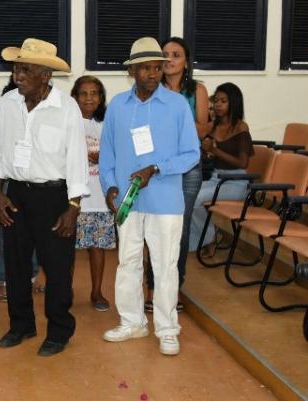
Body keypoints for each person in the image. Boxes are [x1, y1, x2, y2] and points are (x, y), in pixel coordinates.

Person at [99, 37, 200, 356]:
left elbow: (191, 154)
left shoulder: (177, 105)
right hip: (128, 201)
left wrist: (156, 167)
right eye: (146, 68)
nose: (154, 73)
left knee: (164, 265)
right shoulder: (116, 105)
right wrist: (109, 187)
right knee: (127, 262)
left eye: (158, 67)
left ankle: (168, 330)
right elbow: (107, 153)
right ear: (132, 71)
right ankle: (132, 322)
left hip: (166, 202)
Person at [0, 38, 89, 357]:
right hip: (16, 193)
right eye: (16, 68)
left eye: (26, 70)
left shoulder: (66, 108)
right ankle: (21, 325)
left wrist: (73, 206)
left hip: (54, 197)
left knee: (58, 268)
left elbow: (77, 159)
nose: (18, 75)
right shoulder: (7, 103)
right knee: (16, 265)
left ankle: (59, 331)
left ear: (46, 75)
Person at [144, 37, 210, 313]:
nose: (169, 60)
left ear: (186, 61)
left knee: (178, 232)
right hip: (154, 168)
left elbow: (203, 130)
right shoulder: (150, 88)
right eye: (165, 55)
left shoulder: (198, 90)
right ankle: (151, 287)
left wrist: (170, 127)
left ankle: (174, 287)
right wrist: (180, 129)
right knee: (152, 227)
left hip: (187, 169)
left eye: (176, 55)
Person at [189, 82, 254, 256]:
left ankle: (209, 239)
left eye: (223, 101)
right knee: (187, 196)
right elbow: (208, 156)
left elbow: (242, 163)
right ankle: (205, 238)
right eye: (216, 100)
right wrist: (206, 152)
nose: (217, 105)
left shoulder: (240, 127)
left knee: (196, 200)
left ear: (234, 102)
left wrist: (215, 150)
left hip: (236, 182)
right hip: (216, 178)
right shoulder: (213, 126)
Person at [0, 74, 43, 302]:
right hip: (12, 179)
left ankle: (31, 276)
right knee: (8, 234)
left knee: (36, 232)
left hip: (37, 178)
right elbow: (0, 143)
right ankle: (5, 280)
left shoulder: (49, 100)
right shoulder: (7, 99)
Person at [70, 75, 116, 312]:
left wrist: (104, 157)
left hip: (99, 197)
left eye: (94, 93)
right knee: (66, 248)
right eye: (83, 93)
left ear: (101, 98)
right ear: (75, 97)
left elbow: (119, 156)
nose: (89, 98)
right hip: (73, 199)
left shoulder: (108, 124)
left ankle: (97, 291)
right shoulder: (69, 122)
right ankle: (64, 289)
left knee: (97, 248)